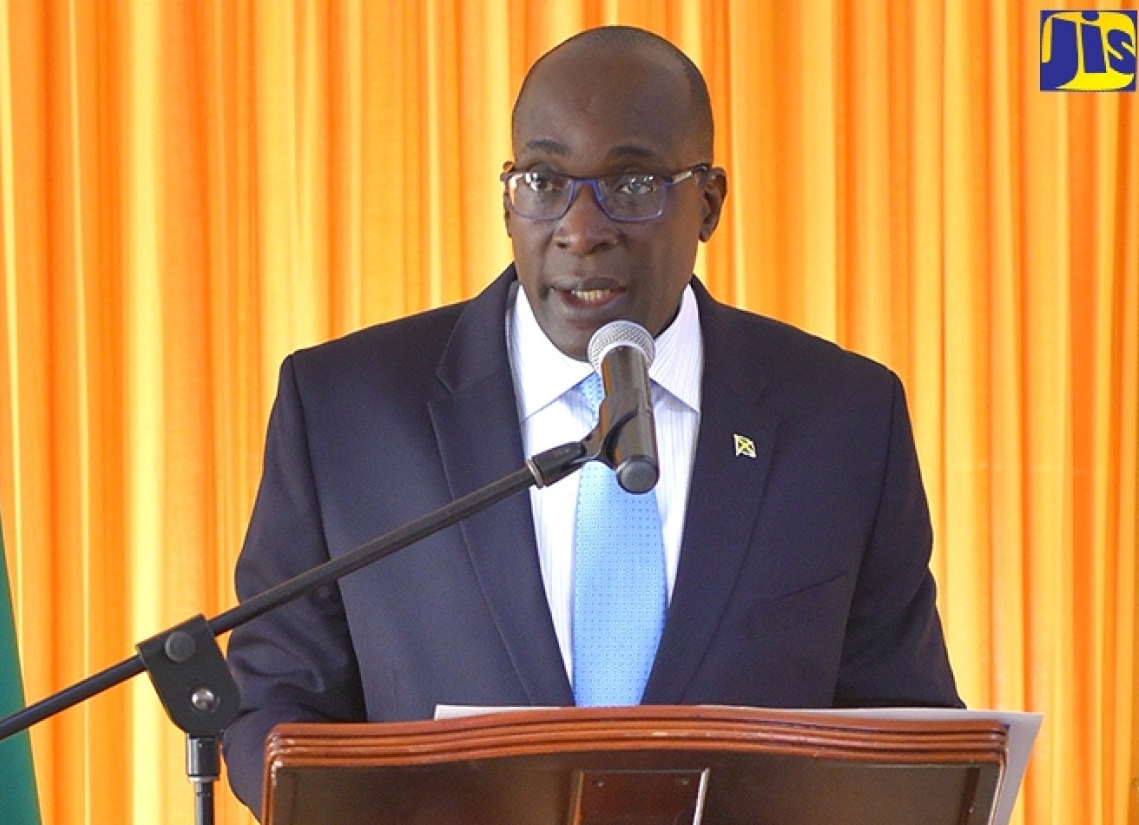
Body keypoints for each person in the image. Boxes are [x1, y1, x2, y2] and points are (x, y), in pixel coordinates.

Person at [221, 25, 962, 817]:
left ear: (708, 202)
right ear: (508, 196)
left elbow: (904, 733)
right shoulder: (347, 409)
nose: (581, 227)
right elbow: (272, 701)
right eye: (543, 180)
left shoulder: (843, 418)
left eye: (634, 183)